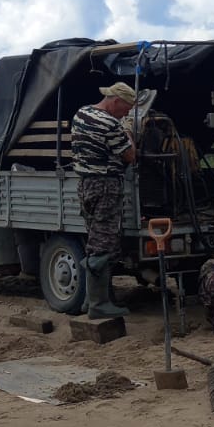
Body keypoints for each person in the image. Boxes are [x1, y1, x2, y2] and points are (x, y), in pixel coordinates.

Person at [70, 81, 138, 318]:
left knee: (94, 240)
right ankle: (99, 305)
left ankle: (89, 301)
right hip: (106, 186)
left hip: (85, 185)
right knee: (104, 245)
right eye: (126, 109)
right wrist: (128, 130)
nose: (126, 114)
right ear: (116, 101)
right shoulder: (110, 123)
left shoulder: (81, 114)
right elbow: (130, 155)